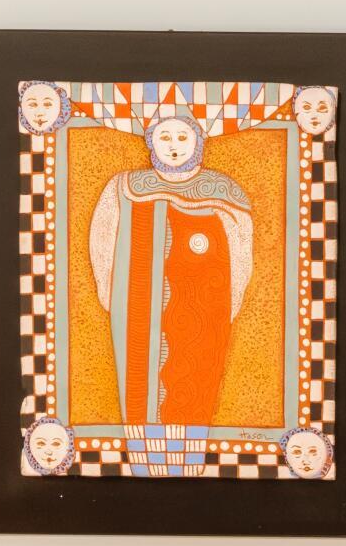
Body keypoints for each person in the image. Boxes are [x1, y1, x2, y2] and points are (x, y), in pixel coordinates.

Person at [86, 111, 254, 427]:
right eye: (164, 137)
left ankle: (190, 452)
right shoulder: (124, 186)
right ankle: (140, 450)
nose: (173, 146)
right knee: (141, 379)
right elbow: (102, 239)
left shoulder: (223, 190)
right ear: (151, 143)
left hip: (205, 306)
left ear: (198, 141)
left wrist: (232, 301)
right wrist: (107, 290)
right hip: (137, 303)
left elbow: (241, 248)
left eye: (182, 137)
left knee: (195, 380)